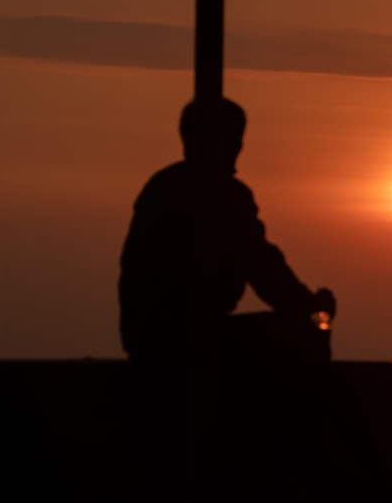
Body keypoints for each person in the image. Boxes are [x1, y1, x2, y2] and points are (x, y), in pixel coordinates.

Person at [118, 98, 335, 364]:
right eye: (235, 139)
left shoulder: (160, 186)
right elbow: (263, 268)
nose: (239, 147)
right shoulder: (223, 193)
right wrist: (311, 306)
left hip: (146, 339)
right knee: (304, 334)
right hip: (186, 340)